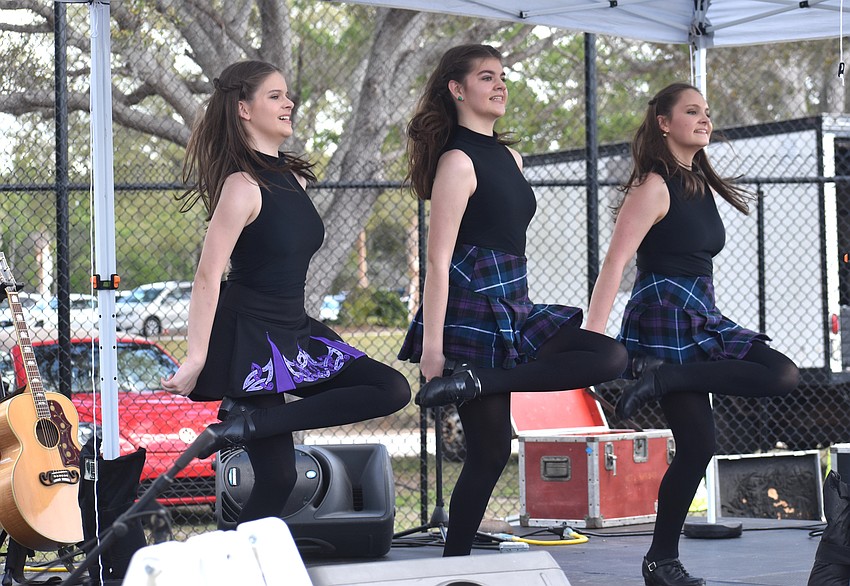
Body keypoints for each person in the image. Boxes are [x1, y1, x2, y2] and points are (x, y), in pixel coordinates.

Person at [398, 44, 628, 557]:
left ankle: (480, 382)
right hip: (472, 308)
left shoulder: (509, 155)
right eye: (487, 77)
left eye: (503, 76)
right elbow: (438, 261)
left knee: (607, 354)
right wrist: (432, 352)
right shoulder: (457, 161)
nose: (500, 85)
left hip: (515, 301)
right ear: (457, 89)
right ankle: (453, 562)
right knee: (491, 451)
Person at [161, 60, 410, 524]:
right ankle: (238, 567)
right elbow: (207, 276)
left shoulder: (293, 179)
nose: (288, 102)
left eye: (287, 94)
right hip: (251, 336)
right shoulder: (242, 186)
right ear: (243, 109)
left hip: (294, 328)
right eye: (274, 96)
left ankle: (249, 425)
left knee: (390, 386)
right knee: (278, 478)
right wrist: (196, 357)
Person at [585, 82, 800, 586]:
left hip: (701, 310)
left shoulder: (697, 182)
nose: (705, 119)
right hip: (664, 310)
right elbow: (614, 263)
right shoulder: (653, 185)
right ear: (664, 122)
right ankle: (661, 562)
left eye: (706, 111)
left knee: (781, 375)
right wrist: (592, 341)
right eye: (691, 111)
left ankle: (663, 379)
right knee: (700, 445)